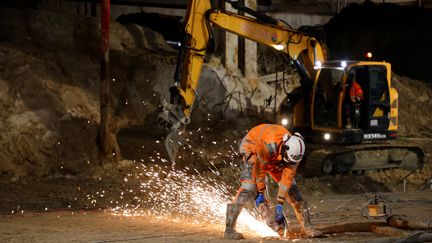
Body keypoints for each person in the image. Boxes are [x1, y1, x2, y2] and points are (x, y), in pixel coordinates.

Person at [224, 124, 320, 239]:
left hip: (276, 157)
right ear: (284, 147)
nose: (288, 163)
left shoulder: (295, 155)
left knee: (293, 191)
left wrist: (279, 205)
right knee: (249, 188)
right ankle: (229, 229)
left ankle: (307, 227)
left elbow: (286, 181)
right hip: (252, 148)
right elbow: (260, 171)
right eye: (287, 159)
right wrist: (260, 194)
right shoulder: (269, 145)